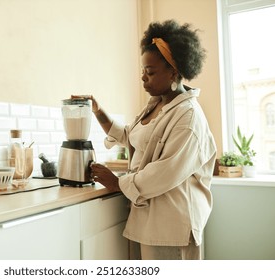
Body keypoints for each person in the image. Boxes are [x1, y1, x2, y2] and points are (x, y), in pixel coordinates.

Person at [74, 20, 216, 260]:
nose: (143, 78)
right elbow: (131, 136)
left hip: (173, 226)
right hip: (151, 222)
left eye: (150, 72)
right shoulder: (159, 104)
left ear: (174, 70)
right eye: (143, 71)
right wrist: (98, 111)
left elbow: (167, 171)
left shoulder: (188, 116)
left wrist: (118, 183)